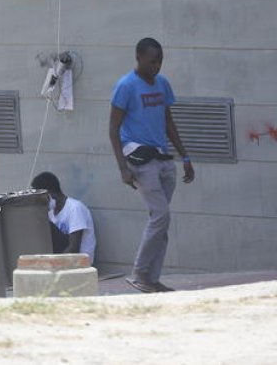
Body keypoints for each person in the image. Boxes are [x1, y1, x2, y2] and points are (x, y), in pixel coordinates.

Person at [109, 37, 196, 293]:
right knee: (161, 215)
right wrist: (122, 168)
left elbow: (168, 123)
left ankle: (152, 279)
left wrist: (185, 157)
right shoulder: (125, 86)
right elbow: (113, 129)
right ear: (138, 58)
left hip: (163, 159)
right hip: (139, 158)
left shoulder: (163, 84)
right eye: (152, 61)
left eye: (160, 61)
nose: (157, 66)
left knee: (160, 221)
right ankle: (139, 274)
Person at [30, 171, 96, 263]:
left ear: (50, 194)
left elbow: (74, 248)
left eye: (41, 199)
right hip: (61, 257)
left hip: (79, 261)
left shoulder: (75, 208)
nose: (41, 203)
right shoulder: (50, 212)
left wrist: (54, 264)